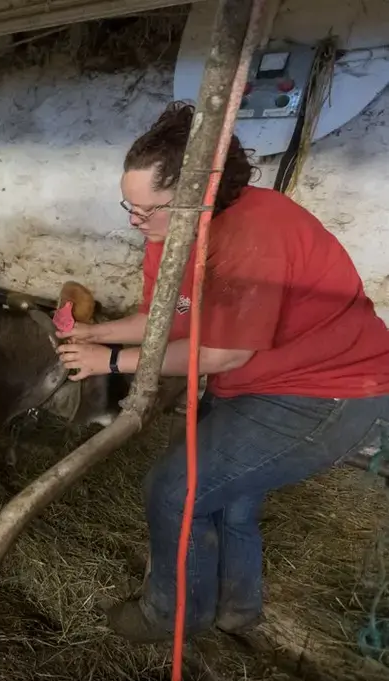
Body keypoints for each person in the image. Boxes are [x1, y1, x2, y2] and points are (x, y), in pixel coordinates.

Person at [56, 101, 389, 642]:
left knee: (174, 491)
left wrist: (109, 362)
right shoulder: (167, 237)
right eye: (129, 206)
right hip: (256, 380)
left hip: (327, 390)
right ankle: (235, 611)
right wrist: (98, 333)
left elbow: (219, 354)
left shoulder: (255, 232)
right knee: (228, 500)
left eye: (149, 209)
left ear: (198, 197)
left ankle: (168, 615)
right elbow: (164, 317)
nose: (136, 221)